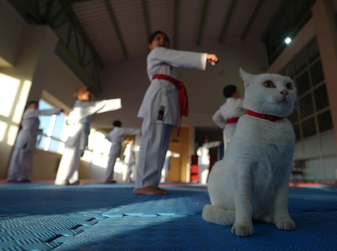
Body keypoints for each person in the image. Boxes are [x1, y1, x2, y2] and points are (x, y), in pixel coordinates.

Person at [134, 30, 219, 195]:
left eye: (165, 39)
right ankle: (143, 182)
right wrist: (203, 57)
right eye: (158, 39)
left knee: (162, 142)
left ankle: (151, 182)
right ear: (150, 45)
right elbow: (178, 56)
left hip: (168, 97)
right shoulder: (157, 53)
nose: (162, 40)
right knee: (152, 139)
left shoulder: (167, 61)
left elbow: (174, 57)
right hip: (159, 96)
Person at [55, 87, 121, 185]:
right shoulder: (82, 106)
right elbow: (98, 105)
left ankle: (72, 178)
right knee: (70, 157)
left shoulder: (79, 107)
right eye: (87, 94)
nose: (89, 97)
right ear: (80, 96)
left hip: (79, 132)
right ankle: (62, 179)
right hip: (77, 133)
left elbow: (68, 121)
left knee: (75, 158)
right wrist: (118, 102)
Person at [6, 101, 62, 183]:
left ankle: (23, 177)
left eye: (37, 105)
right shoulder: (29, 112)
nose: (36, 107)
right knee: (19, 157)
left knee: (27, 158)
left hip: (31, 137)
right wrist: (57, 110)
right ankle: (13, 176)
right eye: (34, 105)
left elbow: (32, 125)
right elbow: (43, 112)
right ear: (28, 106)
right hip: (25, 137)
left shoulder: (34, 116)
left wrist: (38, 130)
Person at [212, 85, 244, 149]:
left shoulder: (223, 107)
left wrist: (224, 125)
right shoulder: (239, 101)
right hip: (238, 127)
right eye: (237, 91)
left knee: (229, 149)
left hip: (227, 130)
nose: (239, 93)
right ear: (233, 94)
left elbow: (215, 118)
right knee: (241, 148)